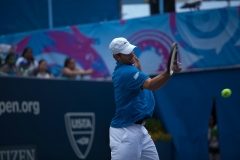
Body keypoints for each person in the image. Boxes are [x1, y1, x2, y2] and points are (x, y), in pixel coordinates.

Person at [108, 37, 182, 160]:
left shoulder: (131, 71)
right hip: (125, 132)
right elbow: (151, 85)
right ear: (117, 57)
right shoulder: (126, 72)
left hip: (139, 130)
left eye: (130, 50)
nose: (131, 54)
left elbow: (144, 90)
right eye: (126, 53)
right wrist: (169, 71)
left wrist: (139, 70)